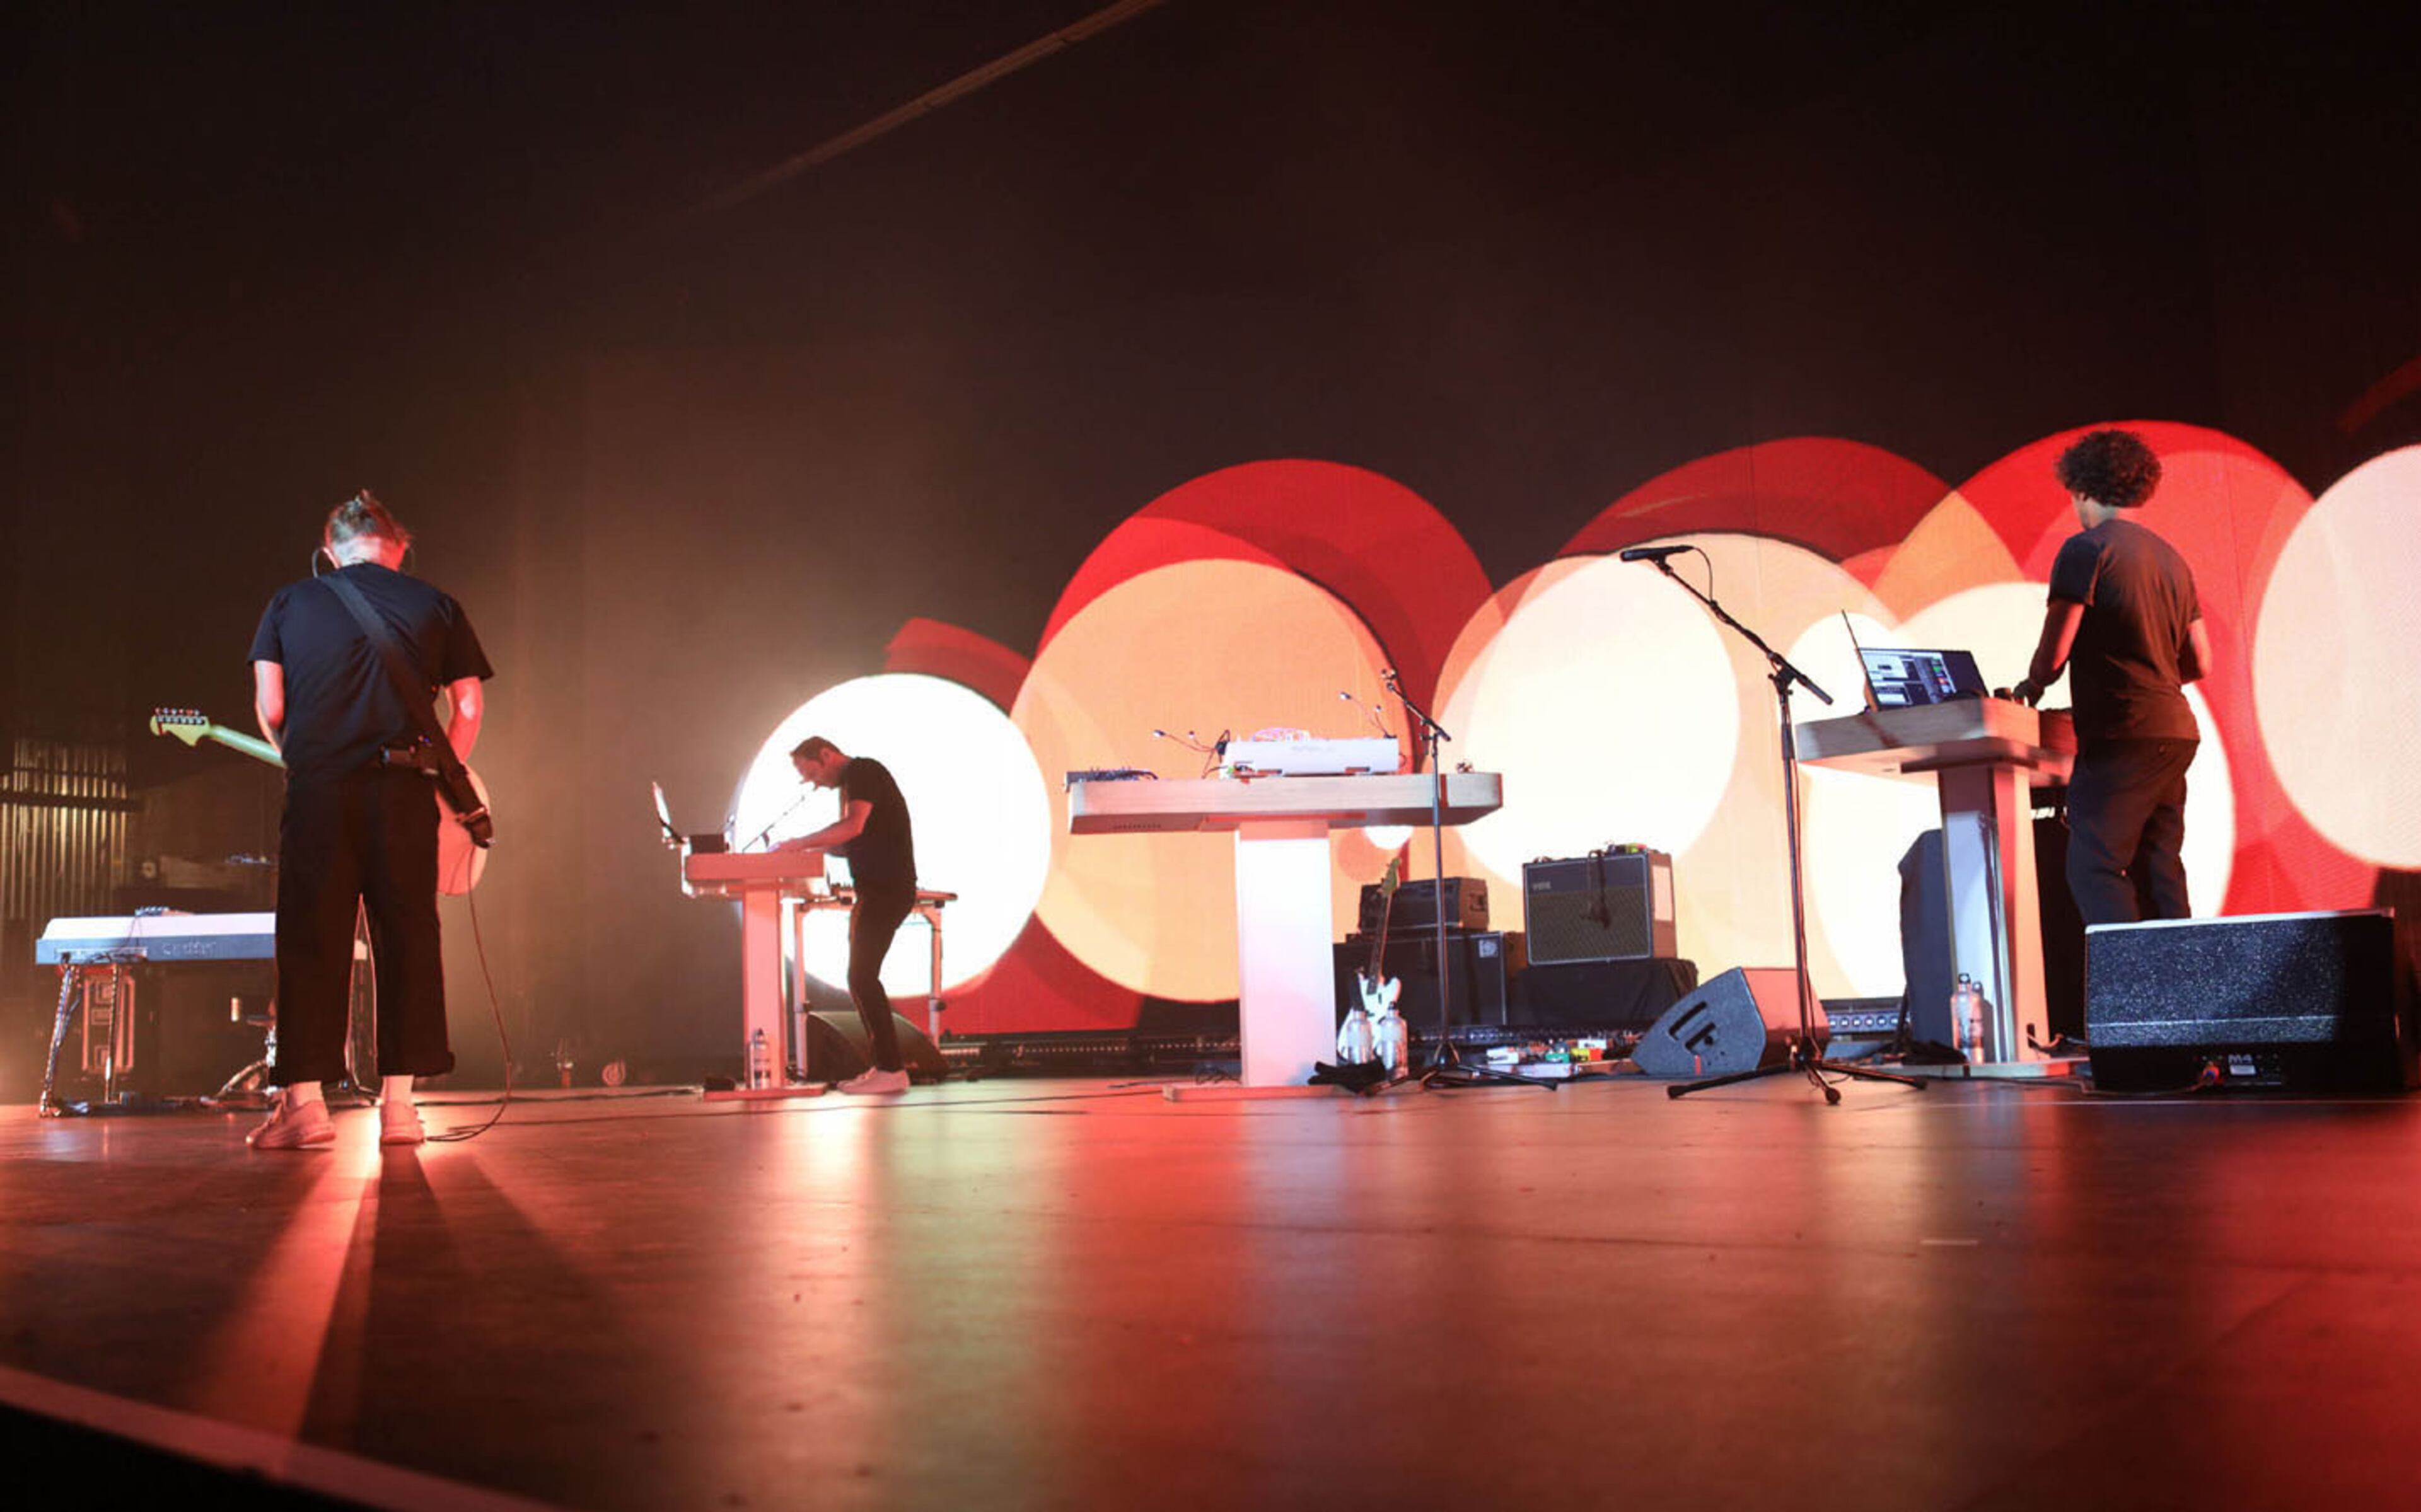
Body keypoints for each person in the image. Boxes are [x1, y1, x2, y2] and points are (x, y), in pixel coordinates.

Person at [245, 492, 494, 1149]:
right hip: (406, 789)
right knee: (409, 936)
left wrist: (304, 757)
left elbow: (271, 705)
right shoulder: (436, 604)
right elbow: (468, 706)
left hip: (321, 791)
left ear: (331, 551)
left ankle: (304, 1109)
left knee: (311, 941)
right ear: (399, 549)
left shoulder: (289, 602)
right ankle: (401, 1111)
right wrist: (442, 775)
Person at [2012, 429, 2211, 926]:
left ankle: (2125, 998)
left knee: (2092, 866)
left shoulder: (2086, 550)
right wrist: (2155, 671)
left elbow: (2054, 655)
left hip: (2123, 733)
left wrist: (2029, 690)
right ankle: (2181, 993)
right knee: (2160, 868)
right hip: (2175, 731)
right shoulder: (2173, 560)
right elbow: (2201, 662)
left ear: (2081, 489)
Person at [778, 736, 917, 1095]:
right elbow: (850, 842)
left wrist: (799, 844)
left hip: (887, 890)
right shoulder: (855, 783)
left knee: (862, 975)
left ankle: (892, 1069)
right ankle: (884, 1066)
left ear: (826, 755)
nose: (814, 783)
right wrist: (805, 848)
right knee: (859, 977)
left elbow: (853, 827)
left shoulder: (864, 771)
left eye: (813, 773)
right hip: (874, 891)